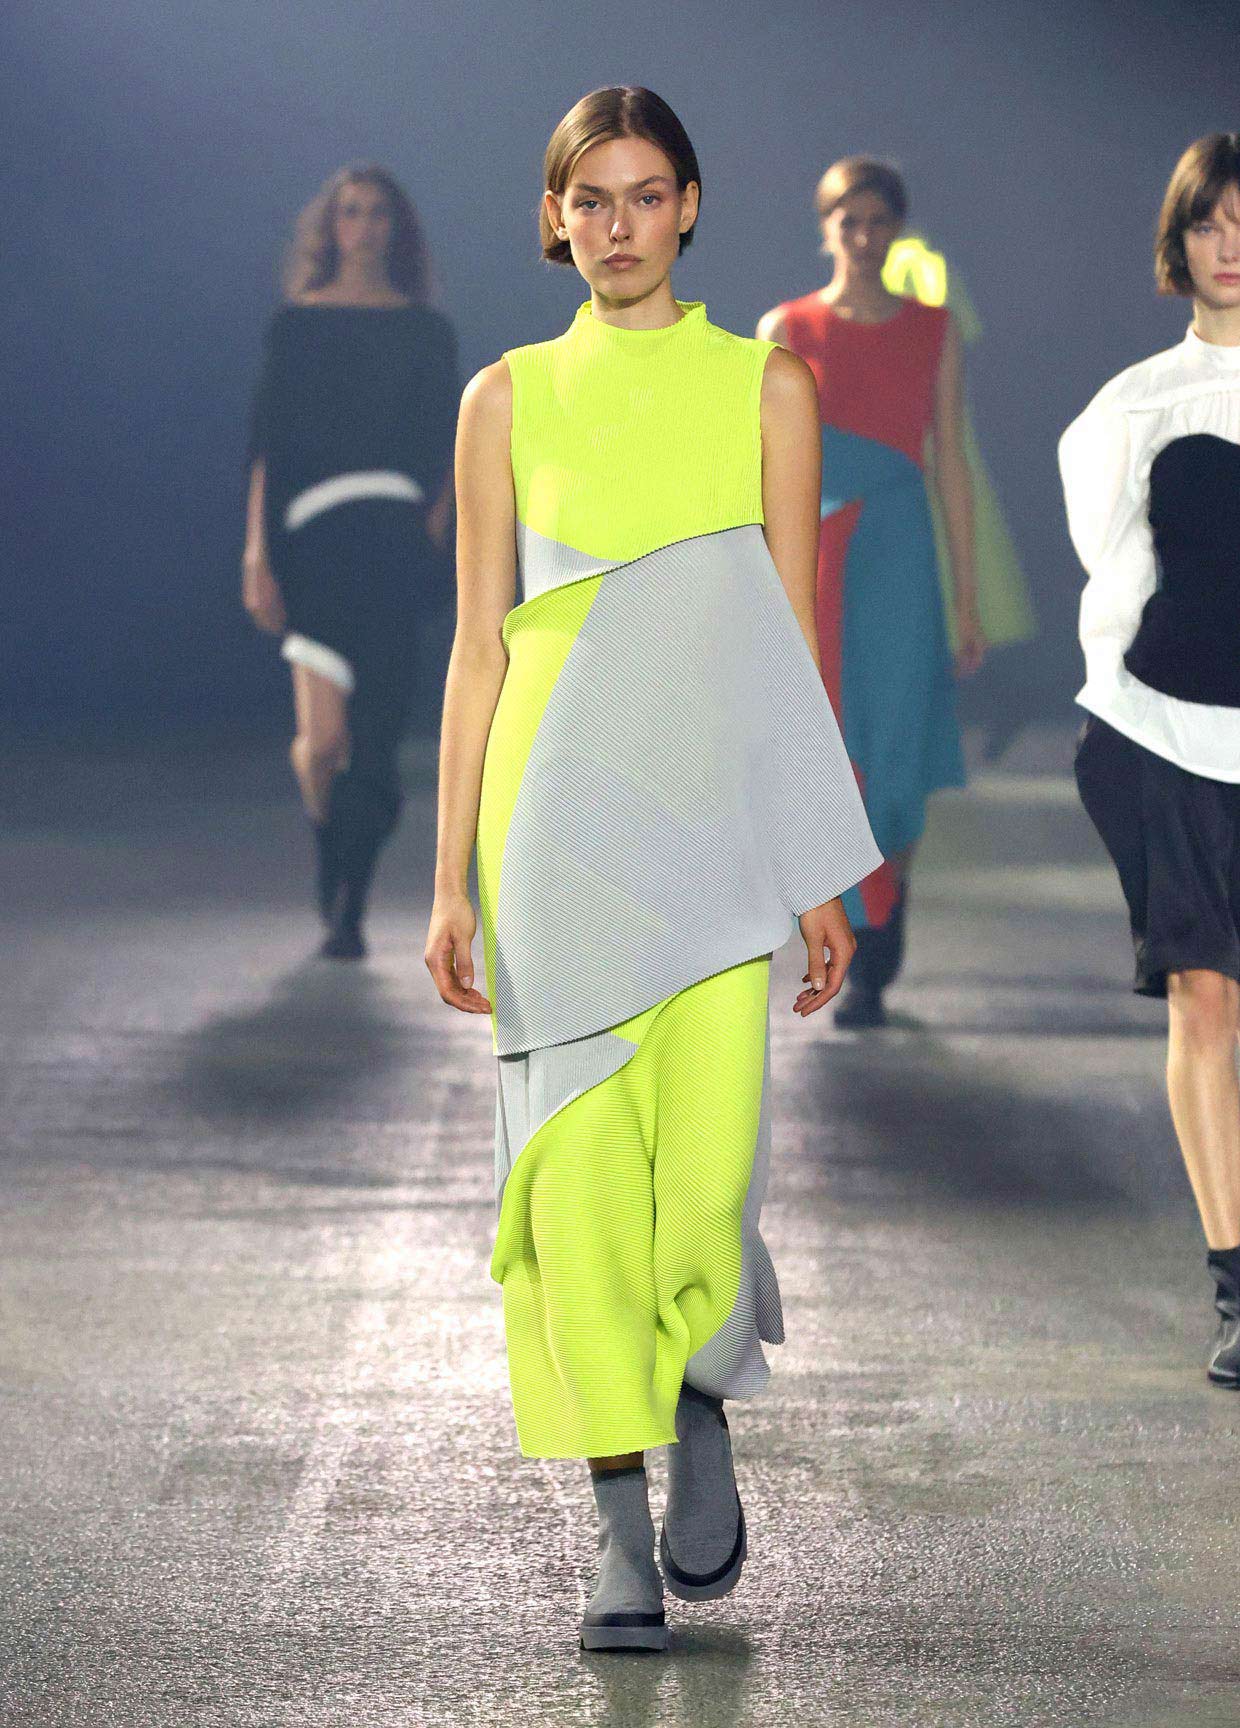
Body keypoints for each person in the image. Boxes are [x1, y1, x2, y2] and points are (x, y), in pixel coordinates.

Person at [424, 87, 881, 1651]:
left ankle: (698, 1395)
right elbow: (477, 652)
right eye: (589, 199)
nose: (616, 226)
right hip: (550, 826)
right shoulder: (504, 397)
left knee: (704, 1182)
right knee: (578, 1185)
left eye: (643, 195)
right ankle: (617, 1534)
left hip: (710, 826)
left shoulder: (766, 387)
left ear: (689, 205)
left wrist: (816, 863)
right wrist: (449, 880)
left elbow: (789, 640)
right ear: (554, 218)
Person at [1061, 132, 1240, 1387]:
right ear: (1176, 242)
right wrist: (1114, 720)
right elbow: (1115, 578)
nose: (1231, 245)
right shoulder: (1131, 407)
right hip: (1171, 732)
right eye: (1209, 222)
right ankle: (1236, 1283)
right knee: (1203, 996)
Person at [758, 158, 986, 1028]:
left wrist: (966, 599)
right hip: (815, 557)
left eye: (877, 220)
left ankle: (887, 913)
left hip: (899, 556)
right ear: (826, 228)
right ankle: (855, 938)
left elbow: (950, 459)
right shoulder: (787, 326)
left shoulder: (934, 328)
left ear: (897, 229)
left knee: (898, 749)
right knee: (830, 750)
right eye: (847, 220)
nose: (862, 235)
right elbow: (764, 469)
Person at [243, 165, 459, 958]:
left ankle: (350, 908)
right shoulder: (295, 327)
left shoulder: (426, 332)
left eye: (377, 214)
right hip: (313, 546)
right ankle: (326, 841)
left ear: (396, 230)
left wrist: (433, 532)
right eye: (351, 212)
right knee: (322, 744)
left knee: (376, 745)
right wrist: (258, 556)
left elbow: (452, 443)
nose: (364, 227)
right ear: (329, 227)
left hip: (392, 542)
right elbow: (266, 447)